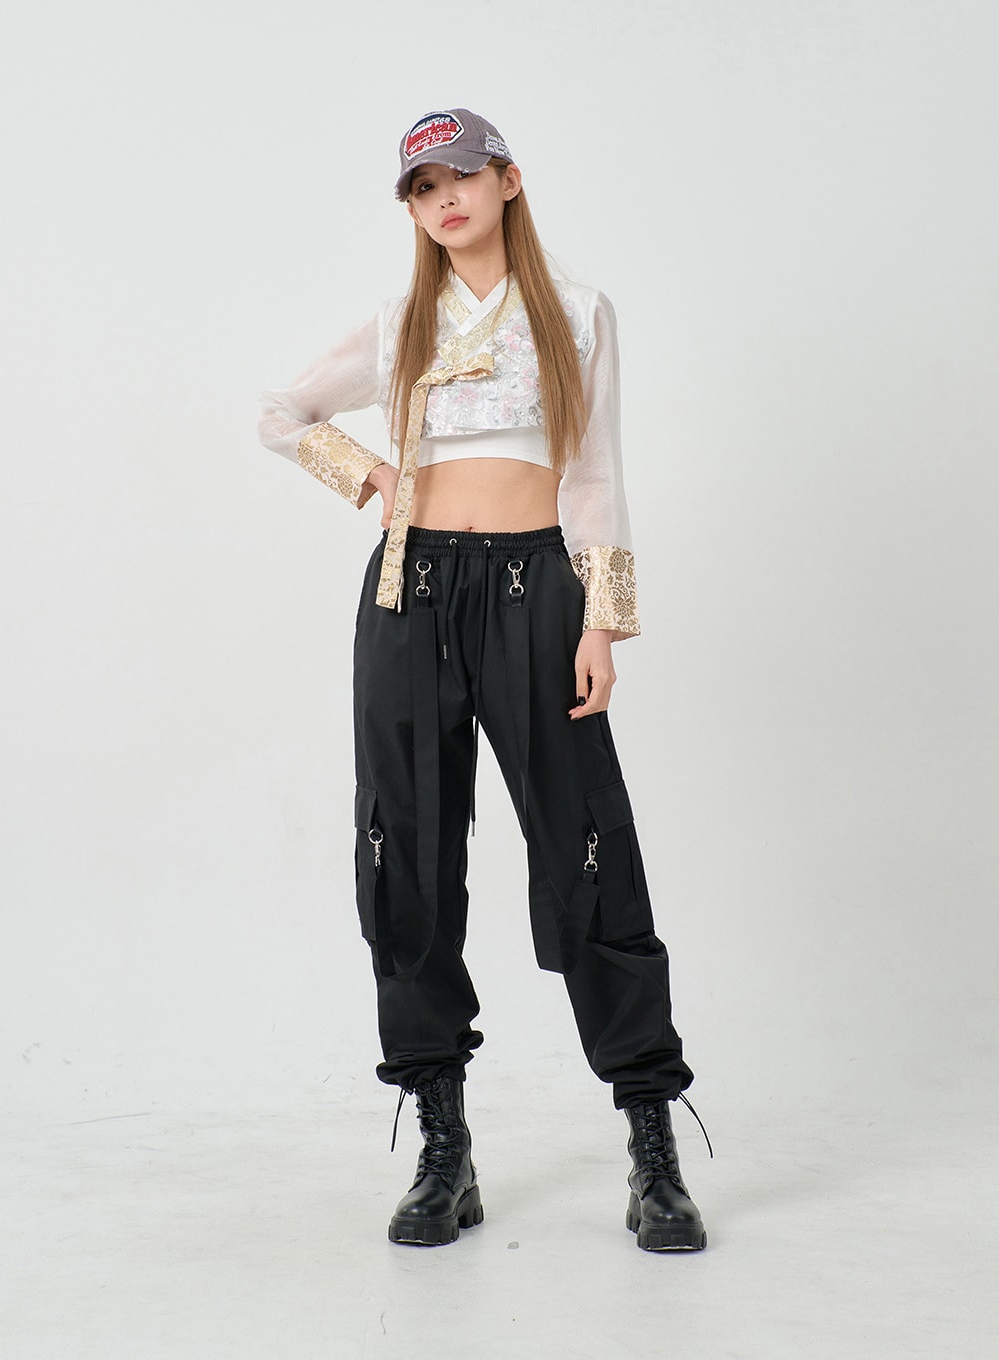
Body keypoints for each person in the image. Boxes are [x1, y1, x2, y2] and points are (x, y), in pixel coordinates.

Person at [258, 108, 709, 1252]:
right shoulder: (399, 321)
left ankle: (651, 1142)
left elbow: (594, 472)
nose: (443, 199)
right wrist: (367, 474)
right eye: (421, 188)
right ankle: (443, 1146)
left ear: (507, 179)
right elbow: (280, 413)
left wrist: (601, 621)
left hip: (533, 589)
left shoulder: (575, 310)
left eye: (460, 175)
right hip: (409, 595)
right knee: (403, 854)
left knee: (585, 842)